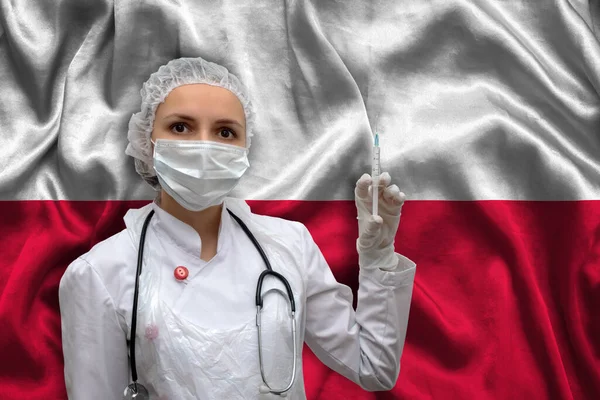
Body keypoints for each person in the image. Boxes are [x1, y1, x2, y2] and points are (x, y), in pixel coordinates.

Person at [58, 56, 417, 400]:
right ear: (147, 142)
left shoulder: (289, 245)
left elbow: (374, 367)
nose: (204, 146)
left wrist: (378, 258)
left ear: (245, 148)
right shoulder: (99, 274)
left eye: (225, 132)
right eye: (180, 127)